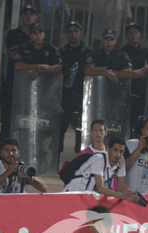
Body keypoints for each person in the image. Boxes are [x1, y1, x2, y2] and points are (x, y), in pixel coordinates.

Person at [0, 4, 38, 141]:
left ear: (36, 17)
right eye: (26, 14)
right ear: (21, 16)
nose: (29, 16)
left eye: (31, 14)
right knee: (8, 121)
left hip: (31, 85)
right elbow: (12, 55)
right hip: (13, 83)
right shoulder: (13, 34)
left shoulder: (38, 34)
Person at [65, 133, 138, 203]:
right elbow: (100, 188)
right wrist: (124, 197)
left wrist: (136, 195)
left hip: (88, 196)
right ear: (109, 149)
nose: (118, 154)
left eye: (121, 151)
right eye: (115, 150)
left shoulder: (121, 160)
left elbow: (123, 188)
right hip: (74, 193)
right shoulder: (99, 159)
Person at [59, 21, 93, 154]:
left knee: (81, 130)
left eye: (76, 31)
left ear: (81, 33)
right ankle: (55, 160)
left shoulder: (88, 52)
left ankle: (79, 159)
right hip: (64, 94)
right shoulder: (61, 51)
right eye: (70, 31)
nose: (73, 34)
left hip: (82, 95)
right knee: (60, 127)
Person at [120, 22, 148, 132]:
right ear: (126, 36)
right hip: (125, 94)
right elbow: (126, 73)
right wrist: (143, 71)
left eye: (136, 32)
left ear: (140, 34)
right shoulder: (122, 52)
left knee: (138, 127)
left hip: (142, 95)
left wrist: (147, 73)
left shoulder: (146, 52)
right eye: (130, 33)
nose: (133, 35)